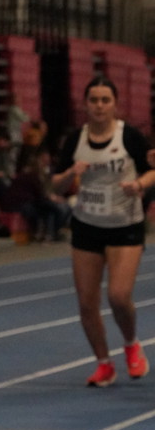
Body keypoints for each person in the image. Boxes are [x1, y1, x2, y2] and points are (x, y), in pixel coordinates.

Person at [51, 75, 154, 387]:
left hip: (124, 225)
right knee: (87, 303)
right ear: (85, 105)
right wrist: (71, 173)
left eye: (105, 100)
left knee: (119, 296)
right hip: (87, 226)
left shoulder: (129, 136)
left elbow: (153, 169)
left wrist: (138, 184)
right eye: (93, 100)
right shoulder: (76, 140)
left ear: (115, 105)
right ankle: (104, 364)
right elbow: (55, 186)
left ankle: (131, 344)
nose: (99, 106)